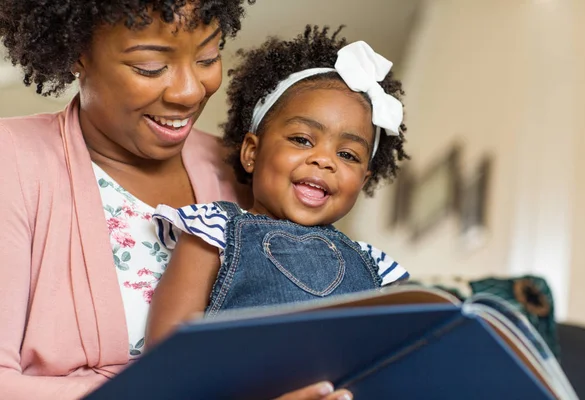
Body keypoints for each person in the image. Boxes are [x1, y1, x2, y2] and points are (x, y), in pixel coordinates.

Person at [0, 2, 355, 399]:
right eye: (150, 67)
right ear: (77, 53)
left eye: (207, 57)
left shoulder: (244, 172)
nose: (188, 92)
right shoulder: (12, 159)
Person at [147, 26, 410, 344]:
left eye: (347, 154)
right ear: (252, 152)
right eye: (302, 139)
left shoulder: (375, 266)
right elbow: (167, 352)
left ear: (364, 180)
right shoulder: (214, 232)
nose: (325, 161)